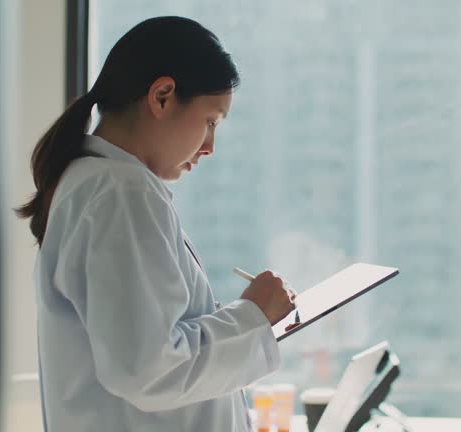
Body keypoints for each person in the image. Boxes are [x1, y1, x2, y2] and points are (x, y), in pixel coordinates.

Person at [16, 16, 297, 432]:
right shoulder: (120, 192)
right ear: (163, 96)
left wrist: (238, 319)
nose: (210, 147)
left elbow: (142, 348)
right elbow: (150, 370)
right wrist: (254, 315)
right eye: (211, 121)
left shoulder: (100, 185)